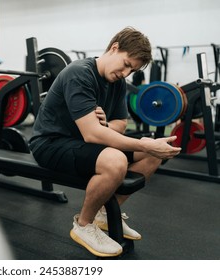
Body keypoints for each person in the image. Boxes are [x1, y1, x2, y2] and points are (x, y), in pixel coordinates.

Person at [28, 27, 181, 257]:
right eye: (127, 64)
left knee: (153, 154)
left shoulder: (117, 82)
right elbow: (93, 135)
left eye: (133, 70)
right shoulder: (79, 73)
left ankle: (105, 213)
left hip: (82, 143)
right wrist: (142, 143)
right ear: (114, 47)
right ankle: (83, 225)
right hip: (50, 143)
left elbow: (120, 123)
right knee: (118, 159)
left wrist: (106, 124)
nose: (126, 73)